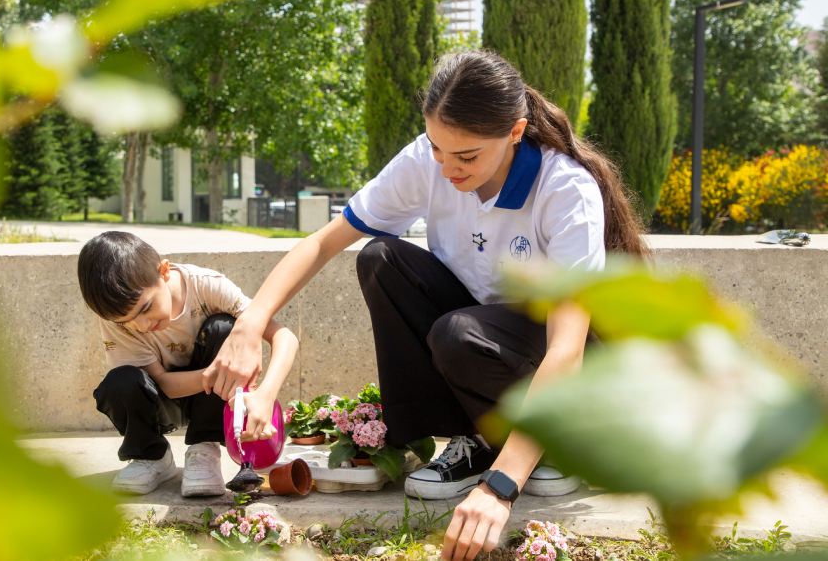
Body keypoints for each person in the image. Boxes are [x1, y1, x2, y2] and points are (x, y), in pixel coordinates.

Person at [201, 50, 648, 560]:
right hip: (477, 333)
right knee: (381, 259)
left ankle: (553, 448)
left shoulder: (564, 189)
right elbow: (323, 242)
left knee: (459, 333)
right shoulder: (427, 162)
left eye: (467, 157)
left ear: (515, 132)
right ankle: (472, 441)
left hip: (561, 365)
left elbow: (566, 350)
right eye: (437, 147)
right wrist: (250, 322)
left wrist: (501, 489)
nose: (447, 168)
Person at [77, 231, 298, 496]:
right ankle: (151, 456)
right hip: (162, 398)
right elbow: (163, 383)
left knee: (225, 327)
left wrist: (266, 394)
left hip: (211, 402)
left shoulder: (205, 286)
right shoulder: (117, 321)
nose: (142, 325)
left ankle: (203, 449)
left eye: (145, 308)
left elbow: (285, 337)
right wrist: (212, 375)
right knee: (120, 381)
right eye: (126, 321)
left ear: (164, 271)